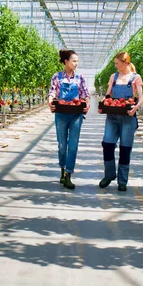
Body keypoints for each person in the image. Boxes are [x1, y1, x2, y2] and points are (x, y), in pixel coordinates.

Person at [98, 51, 143, 191]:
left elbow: (141, 97)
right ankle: (109, 174)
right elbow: (108, 95)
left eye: (117, 64)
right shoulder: (114, 76)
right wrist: (103, 104)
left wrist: (136, 107)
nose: (116, 66)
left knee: (125, 148)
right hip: (112, 116)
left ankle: (122, 180)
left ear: (125, 63)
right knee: (107, 144)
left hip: (128, 117)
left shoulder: (135, 78)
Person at [48, 49, 90, 190]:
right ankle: (62, 168)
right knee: (62, 145)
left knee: (73, 145)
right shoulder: (57, 77)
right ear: (66, 61)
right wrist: (50, 102)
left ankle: (68, 174)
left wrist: (87, 103)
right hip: (61, 114)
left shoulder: (80, 78)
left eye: (77, 61)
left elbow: (85, 93)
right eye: (74, 61)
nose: (76, 64)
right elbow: (52, 92)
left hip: (76, 114)